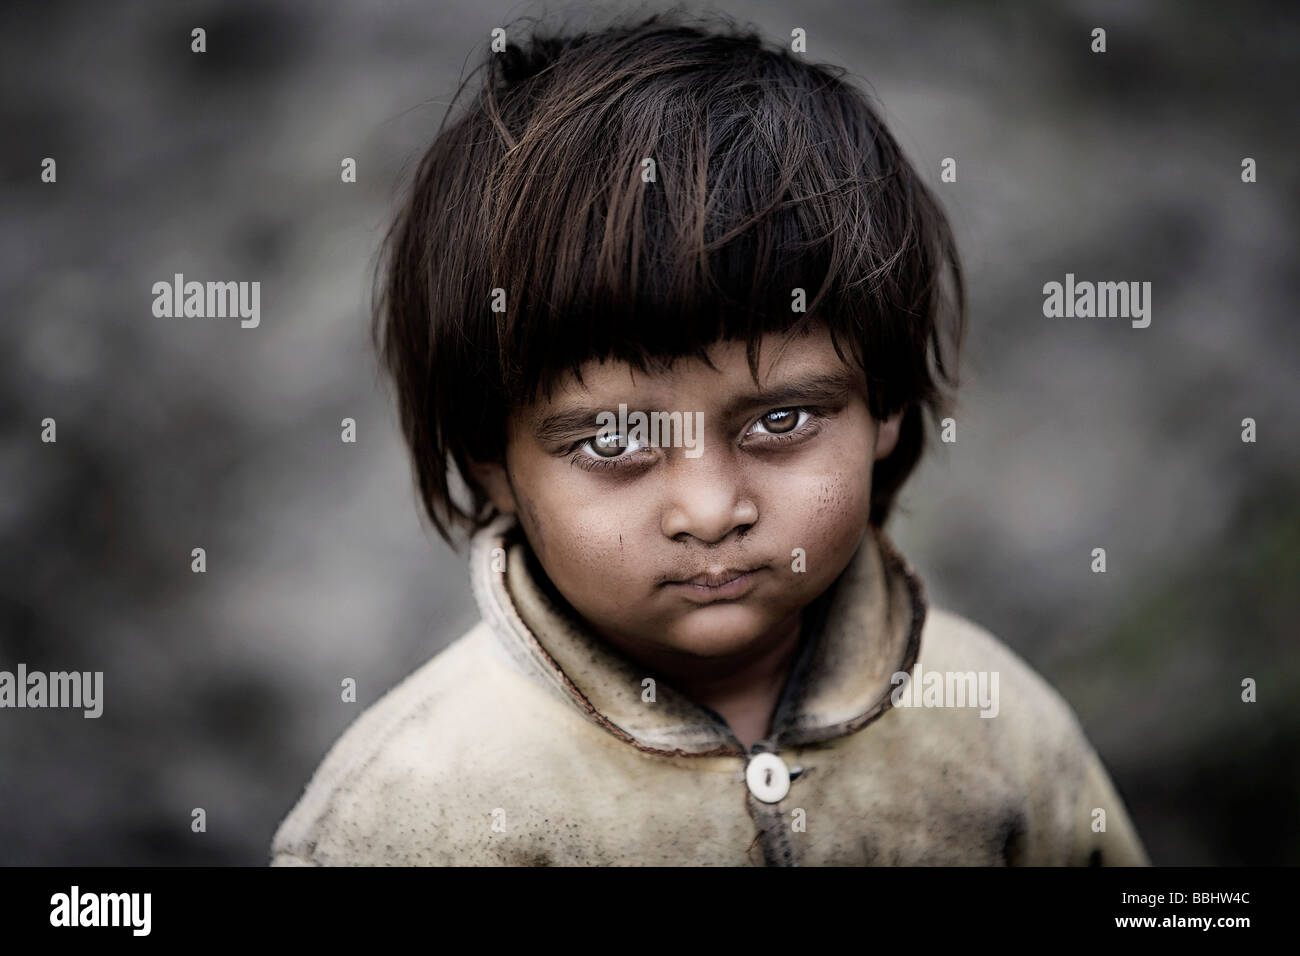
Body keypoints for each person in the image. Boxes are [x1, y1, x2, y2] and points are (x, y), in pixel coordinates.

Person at [270, 10, 1148, 866]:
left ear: (885, 405)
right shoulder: (412, 809)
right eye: (614, 442)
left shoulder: (992, 720)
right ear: (488, 461)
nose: (711, 510)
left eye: (780, 421)